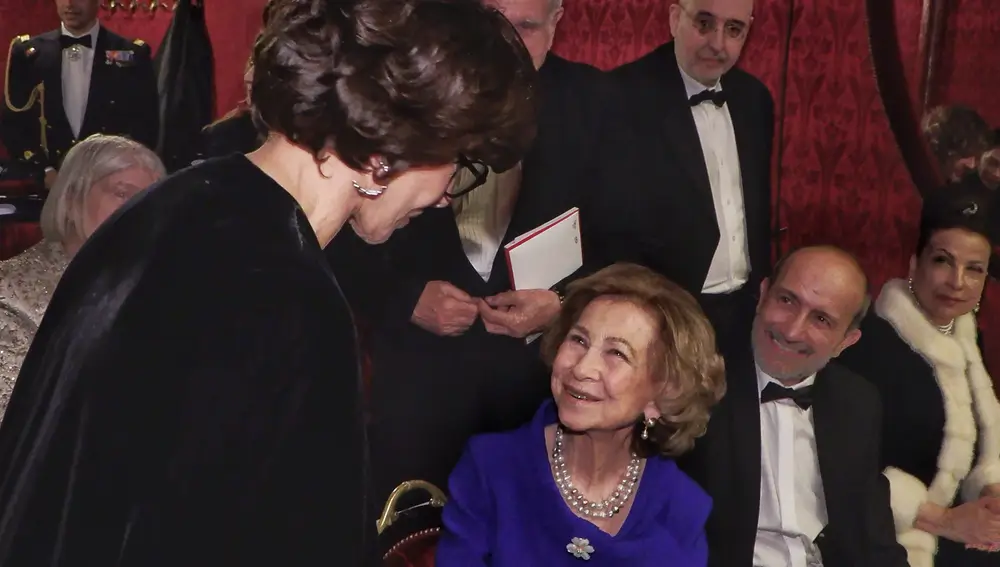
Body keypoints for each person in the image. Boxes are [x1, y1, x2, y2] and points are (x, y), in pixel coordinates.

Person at [0, 0, 537, 565]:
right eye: (457, 161)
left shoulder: (172, 205)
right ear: (386, 153)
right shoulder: (289, 294)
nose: (448, 193)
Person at [350, 0, 611, 517]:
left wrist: (562, 306)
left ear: (557, 25)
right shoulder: (409, 88)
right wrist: (407, 300)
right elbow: (338, 235)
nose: (505, 44)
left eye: (527, 27)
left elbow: (632, 244)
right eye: (492, 19)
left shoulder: (601, 105)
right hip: (417, 392)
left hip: (538, 392)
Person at [435, 263, 726, 566]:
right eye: (579, 340)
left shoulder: (680, 510)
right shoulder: (491, 469)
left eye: (616, 353)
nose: (582, 368)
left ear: (662, 394)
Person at [679, 246, 908, 567]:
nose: (792, 331)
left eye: (822, 319)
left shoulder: (858, 403)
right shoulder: (696, 382)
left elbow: (872, 534)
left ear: (846, 342)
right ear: (762, 295)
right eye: (787, 300)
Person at [589, 0, 774, 355]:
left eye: (734, 30)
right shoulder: (619, 98)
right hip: (658, 317)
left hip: (743, 313)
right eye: (704, 23)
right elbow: (605, 230)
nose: (718, 44)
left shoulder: (755, 99)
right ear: (675, 18)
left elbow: (754, 210)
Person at [837, 179, 1000, 567]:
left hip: (959, 529)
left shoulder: (965, 336)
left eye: (974, 269)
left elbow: (982, 439)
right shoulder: (869, 345)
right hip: (891, 536)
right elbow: (847, 467)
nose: (957, 282)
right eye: (943, 260)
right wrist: (942, 519)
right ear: (914, 264)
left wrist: (992, 497)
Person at [0, 134, 164, 422]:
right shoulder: (9, 293)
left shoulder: (166, 286)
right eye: (122, 193)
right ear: (73, 196)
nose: (140, 210)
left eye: (150, 199)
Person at [0, 0, 158, 183]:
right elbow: (13, 122)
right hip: (47, 184)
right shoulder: (29, 54)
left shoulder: (131, 54)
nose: (70, 4)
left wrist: (115, 171)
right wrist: (44, 170)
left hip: (109, 180)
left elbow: (146, 125)